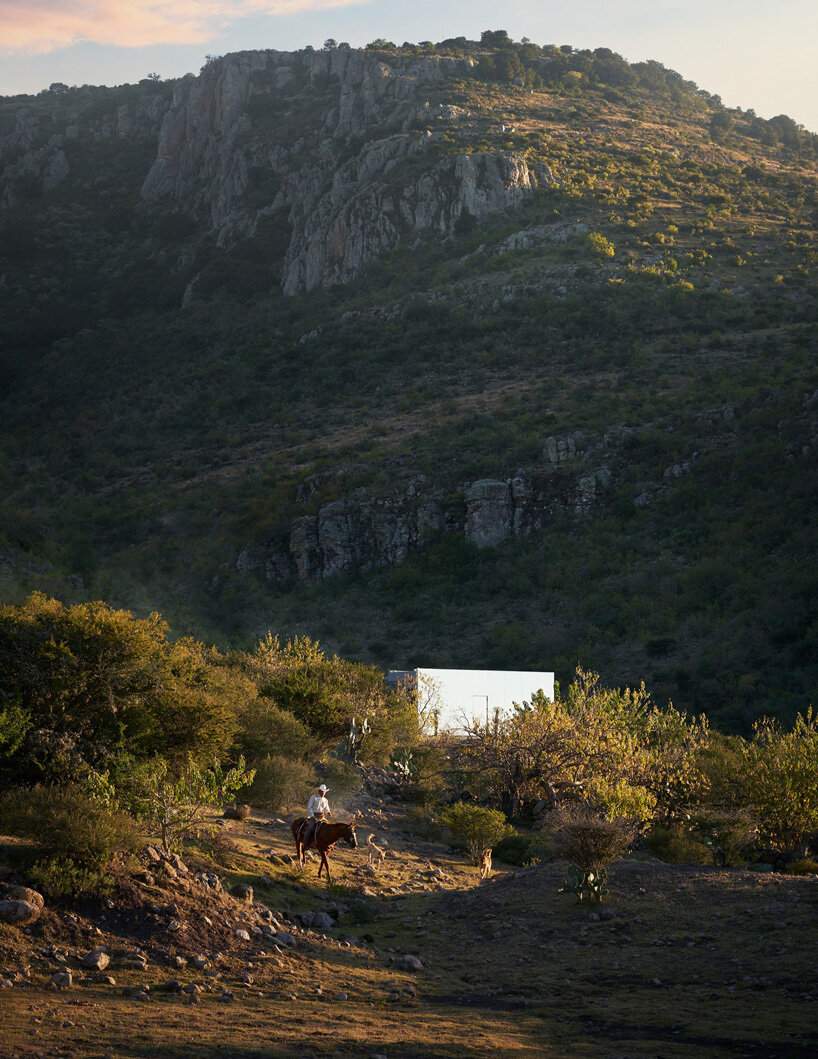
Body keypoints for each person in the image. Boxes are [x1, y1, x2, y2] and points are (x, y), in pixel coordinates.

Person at [302, 783, 330, 849]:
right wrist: (312, 816)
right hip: (314, 816)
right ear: (319, 791)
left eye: (324, 791)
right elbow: (309, 807)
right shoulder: (313, 797)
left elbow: (326, 808)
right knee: (310, 828)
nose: (323, 793)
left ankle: (327, 844)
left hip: (322, 817)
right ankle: (305, 843)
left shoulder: (325, 800)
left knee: (329, 827)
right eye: (322, 791)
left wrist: (328, 812)